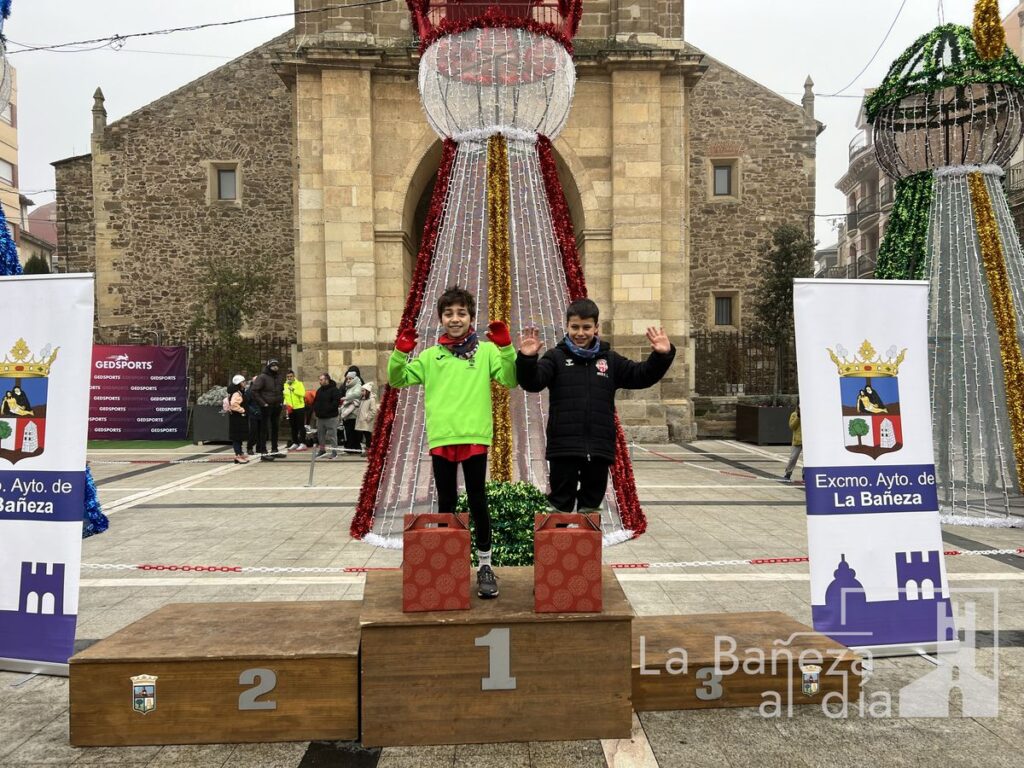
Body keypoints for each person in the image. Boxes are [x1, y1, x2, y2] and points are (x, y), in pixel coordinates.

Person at [389, 285, 516, 599]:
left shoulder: (486, 352)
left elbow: (510, 379)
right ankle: (445, 565)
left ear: (471, 317)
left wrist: (506, 348)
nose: (455, 319)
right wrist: (400, 353)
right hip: (442, 438)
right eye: (448, 314)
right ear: (441, 319)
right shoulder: (430, 357)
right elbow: (397, 379)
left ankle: (485, 565)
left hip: (474, 436)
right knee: (445, 503)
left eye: (461, 313)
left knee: (477, 500)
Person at [517, 297, 675, 514]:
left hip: (599, 447)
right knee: (558, 508)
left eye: (586, 327)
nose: (580, 333)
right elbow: (532, 383)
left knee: (590, 509)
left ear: (596, 328)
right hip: (564, 446)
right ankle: (558, 535)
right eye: (575, 327)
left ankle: (588, 533)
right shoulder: (555, 357)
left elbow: (641, 376)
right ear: (567, 326)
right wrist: (527, 359)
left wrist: (661, 356)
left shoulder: (609, 359)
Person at [250, 359, 286, 458]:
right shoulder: (262, 377)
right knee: (264, 429)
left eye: (276, 365)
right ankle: (263, 451)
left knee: (275, 428)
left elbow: (282, 390)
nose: (275, 367)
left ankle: (275, 449)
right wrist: (263, 403)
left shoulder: (279, 377)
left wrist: (281, 401)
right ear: (269, 366)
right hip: (266, 406)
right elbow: (254, 391)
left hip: (277, 405)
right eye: (273, 365)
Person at [313, 372, 342, 459]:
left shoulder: (334, 390)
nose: (320, 381)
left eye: (321, 380)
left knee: (332, 435)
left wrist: (326, 410)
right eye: (319, 380)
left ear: (327, 380)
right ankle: (322, 450)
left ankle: (334, 452)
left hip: (331, 417)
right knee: (320, 435)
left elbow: (335, 403)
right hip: (320, 417)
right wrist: (316, 410)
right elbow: (315, 401)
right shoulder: (319, 390)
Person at [340, 367, 363, 454]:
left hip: (354, 413)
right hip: (348, 413)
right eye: (347, 378)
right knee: (349, 432)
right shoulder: (348, 387)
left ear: (354, 378)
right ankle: (350, 447)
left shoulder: (358, 385)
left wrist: (346, 398)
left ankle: (356, 448)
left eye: (350, 378)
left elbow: (357, 394)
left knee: (355, 432)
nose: (348, 380)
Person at [226, 375, 249, 464]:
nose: (245, 383)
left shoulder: (239, 392)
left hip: (238, 418)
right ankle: (238, 454)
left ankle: (240, 453)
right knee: (237, 437)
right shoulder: (236, 393)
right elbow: (233, 405)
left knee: (239, 436)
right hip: (237, 418)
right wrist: (242, 410)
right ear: (239, 383)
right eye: (243, 382)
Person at [283, 370, 308, 452]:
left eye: (291, 376)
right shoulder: (285, 385)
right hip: (290, 408)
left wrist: (293, 389)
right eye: (288, 377)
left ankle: (303, 443)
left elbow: (303, 394)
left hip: (299, 407)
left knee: (301, 426)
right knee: (293, 426)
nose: (289, 378)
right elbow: (285, 396)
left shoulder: (299, 384)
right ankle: (295, 442)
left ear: (294, 376)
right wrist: (285, 404)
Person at [354, 382, 378, 456]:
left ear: (367, 391)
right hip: (362, 421)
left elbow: (373, 410)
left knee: (368, 436)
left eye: (363, 391)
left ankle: (369, 450)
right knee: (364, 435)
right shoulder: (363, 399)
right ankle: (367, 449)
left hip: (367, 421)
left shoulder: (371, 399)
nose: (362, 392)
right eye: (361, 390)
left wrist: (368, 418)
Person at [783, 403, 802, 481]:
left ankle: (805, 474)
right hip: (797, 440)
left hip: (808, 441)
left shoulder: (810, 415)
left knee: (808, 460)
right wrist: (798, 416)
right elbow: (792, 426)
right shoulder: (794, 414)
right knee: (793, 458)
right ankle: (788, 473)